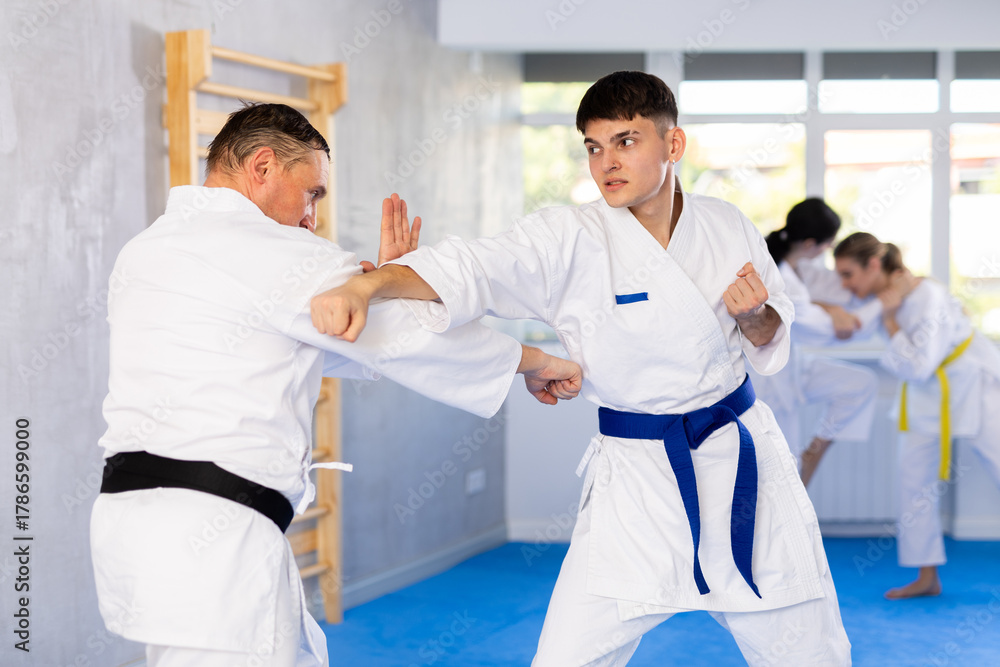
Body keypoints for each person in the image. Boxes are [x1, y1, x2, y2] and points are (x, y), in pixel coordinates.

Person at [311, 72, 850, 666]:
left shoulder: (727, 226)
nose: (606, 163)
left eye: (626, 141)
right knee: (568, 658)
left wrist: (754, 319)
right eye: (593, 147)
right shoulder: (567, 237)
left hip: (741, 464)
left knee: (810, 651)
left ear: (673, 146)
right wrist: (376, 283)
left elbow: (772, 334)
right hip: (636, 476)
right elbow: (475, 269)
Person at [89, 102, 582, 667]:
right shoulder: (269, 250)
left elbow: (319, 346)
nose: (312, 218)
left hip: (138, 525)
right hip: (215, 536)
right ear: (264, 166)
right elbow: (404, 341)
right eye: (313, 192)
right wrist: (535, 360)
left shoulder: (148, 248)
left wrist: (383, 291)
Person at [834, 232, 1000, 599]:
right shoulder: (883, 300)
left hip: (975, 384)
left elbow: (920, 366)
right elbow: (896, 358)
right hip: (928, 395)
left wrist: (892, 323)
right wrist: (886, 315)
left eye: (848, 274)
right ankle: (927, 577)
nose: (845, 284)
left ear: (874, 265)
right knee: (914, 483)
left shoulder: (927, 296)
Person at [751, 199, 880, 486]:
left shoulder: (795, 268)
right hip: (771, 382)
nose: (828, 250)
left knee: (860, 383)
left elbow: (828, 298)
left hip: (790, 367)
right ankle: (782, 527)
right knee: (780, 470)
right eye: (827, 244)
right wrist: (877, 305)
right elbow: (825, 330)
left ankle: (816, 449)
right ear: (810, 243)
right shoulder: (779, 274)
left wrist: (835, 309)